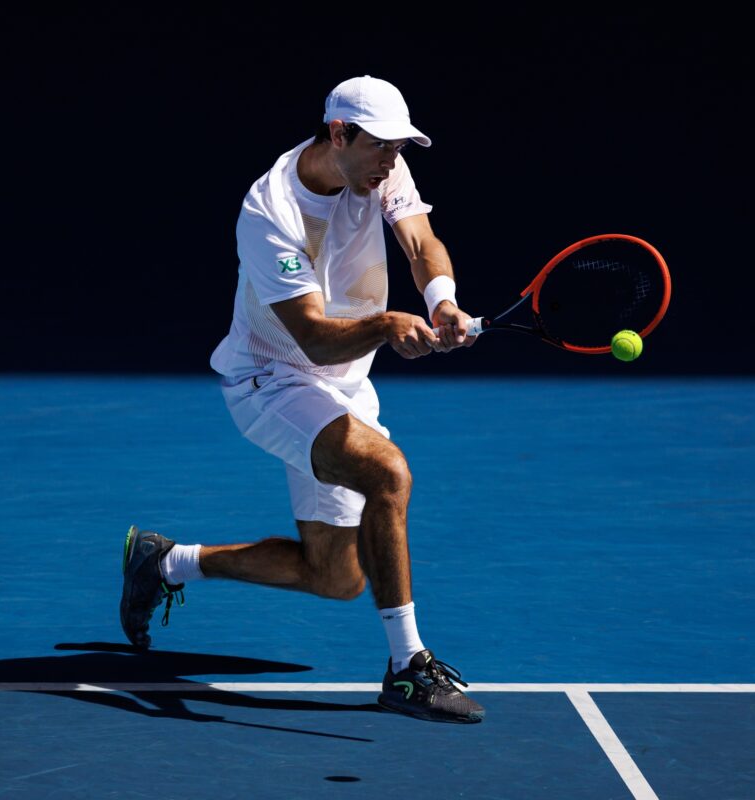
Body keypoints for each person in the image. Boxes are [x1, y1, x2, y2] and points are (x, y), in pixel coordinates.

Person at [120, 75, 483, 724]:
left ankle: (165, 562)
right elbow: (313, 337)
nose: (392, 164)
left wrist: (441, 302)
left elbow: (423, 243)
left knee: (336, 577)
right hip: (272, 383)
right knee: (389, 473)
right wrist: (386, 324)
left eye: (399, 150)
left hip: (341, 387)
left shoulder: (379, 170)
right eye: (381, 148)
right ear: (339, 134)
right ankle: (408, 669)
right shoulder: (271, 213)